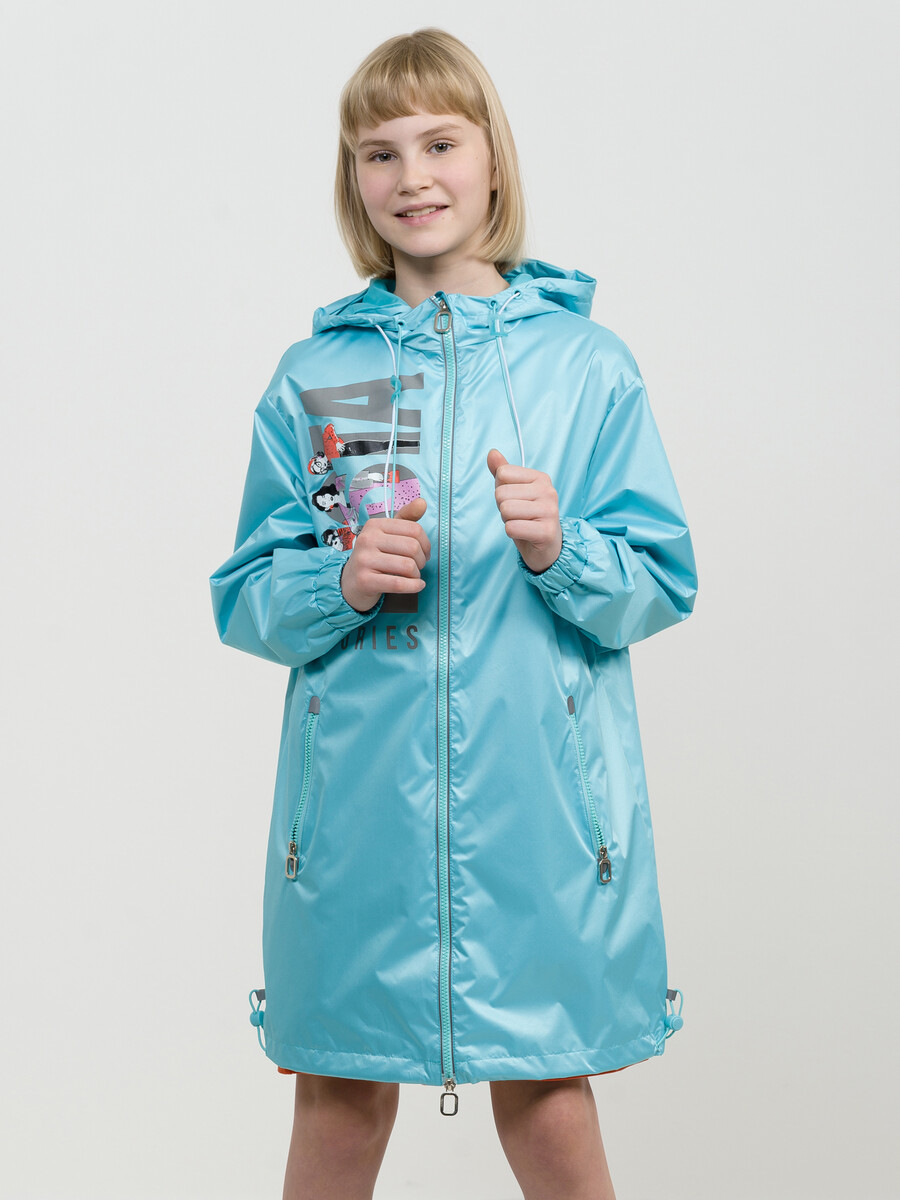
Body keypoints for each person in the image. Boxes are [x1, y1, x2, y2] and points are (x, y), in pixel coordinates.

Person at [209, 26, 698, 1200]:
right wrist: (339, 581)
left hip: (543, 812)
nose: (412, 176)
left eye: (439, 143)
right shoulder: (317, 377)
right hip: (352, 819)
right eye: (379, 153)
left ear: (491, 160)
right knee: (336, 1100)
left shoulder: (586, 366)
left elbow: (661, 579)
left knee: (549, 1101)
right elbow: (246, 596)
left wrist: (562, 550)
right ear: (353, 179)